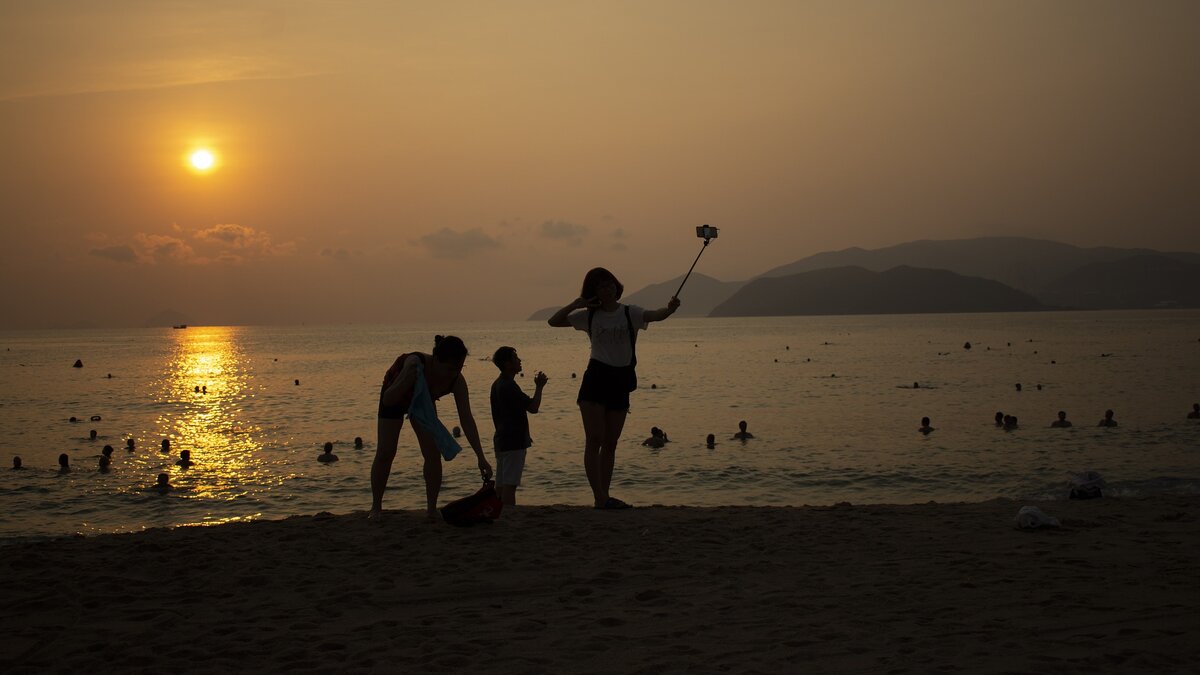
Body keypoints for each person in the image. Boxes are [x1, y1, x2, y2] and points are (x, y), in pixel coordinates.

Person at [547, 267, 680, 510]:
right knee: (594, 439)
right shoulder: (588, 316)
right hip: (596, 377)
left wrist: (670, 309)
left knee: (611, 442)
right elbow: (553, 321)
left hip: (621, 380)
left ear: (616, 286)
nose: (606, 289)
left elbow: (656, 315)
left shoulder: (630, 313)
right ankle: (599, 497)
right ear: (593, 292)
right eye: (600, 286)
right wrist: (575, 304)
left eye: (609, 284)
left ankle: (604, 496)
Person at [370, 335, 494, 520]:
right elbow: (388, 399)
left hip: (423, 401)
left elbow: (466, 419)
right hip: (397, 393)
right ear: (436, 360)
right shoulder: (414, 364)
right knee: (386, 452)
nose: (454, 373)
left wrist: (481, 457)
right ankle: (376, 507)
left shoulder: (457, 381)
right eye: (450, 368)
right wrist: (407, 380)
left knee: (433, 454)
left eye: (460, 368)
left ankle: (431, 509)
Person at [490, 346, 547, 507]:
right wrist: (539, 386)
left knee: (501, 484)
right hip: (513, 442)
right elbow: (533, 407)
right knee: (510, 485)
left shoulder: (497, 384)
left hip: (501, 439)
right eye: (516, 358)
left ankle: (497, 511)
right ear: (508, 364)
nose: (519, 360)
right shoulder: (509, 386)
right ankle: (508, 513)